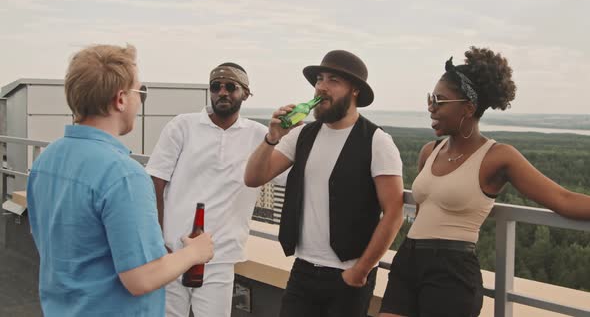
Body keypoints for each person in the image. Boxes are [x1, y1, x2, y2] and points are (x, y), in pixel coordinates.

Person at [379, 46, 590, 317]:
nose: (431, 108)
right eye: (430, 99)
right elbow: (421, 214)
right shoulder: (429, 152)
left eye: (440, 101)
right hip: (408, 261)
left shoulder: (497, 157)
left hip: (451, 271)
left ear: (468, 108)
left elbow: (563, 199)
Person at [27, 44, 214, 317]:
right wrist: (194, 253)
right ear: (121, 99)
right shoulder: (123, 174)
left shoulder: (47, 158)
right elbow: (141, 278)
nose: (140, 101)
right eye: (141, 92)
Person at [244, 50, 405, 317]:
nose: (321, 87)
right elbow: (253, 178)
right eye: (319, 79)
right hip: (303, 269)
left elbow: (394, 212)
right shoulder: (303, 135)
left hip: (348, 275)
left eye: (333, 80)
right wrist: (271, 138)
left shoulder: (377, 141)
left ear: (354, 91)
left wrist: (361, 270)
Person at [146, 62, 282, 317]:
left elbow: (289, 172)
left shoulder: (259, 135)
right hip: (172, 251)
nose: (222, 92)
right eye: (215, 87)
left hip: (220, 257)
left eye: (231, 87)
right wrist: (157, 239)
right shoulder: (182, 126)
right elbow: (156, 180)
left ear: (245, 93)